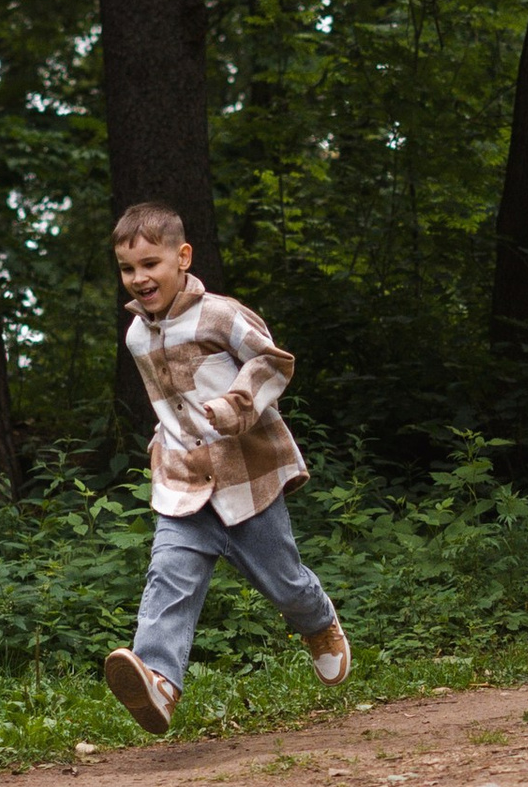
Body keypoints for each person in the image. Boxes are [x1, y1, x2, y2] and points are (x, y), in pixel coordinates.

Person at [101, 201, 353, 734]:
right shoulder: (137, 337)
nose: (139, 278)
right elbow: (165, 404)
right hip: (184, 482)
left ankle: (318, 621)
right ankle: (159, 682)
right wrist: (162, 442)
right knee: (169, 577)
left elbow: (272, 362)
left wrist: (236, 405)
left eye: (151, 264)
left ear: (182, 257)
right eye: (128, 268)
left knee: (283, 583)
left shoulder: (219, 313)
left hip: (245, 477)